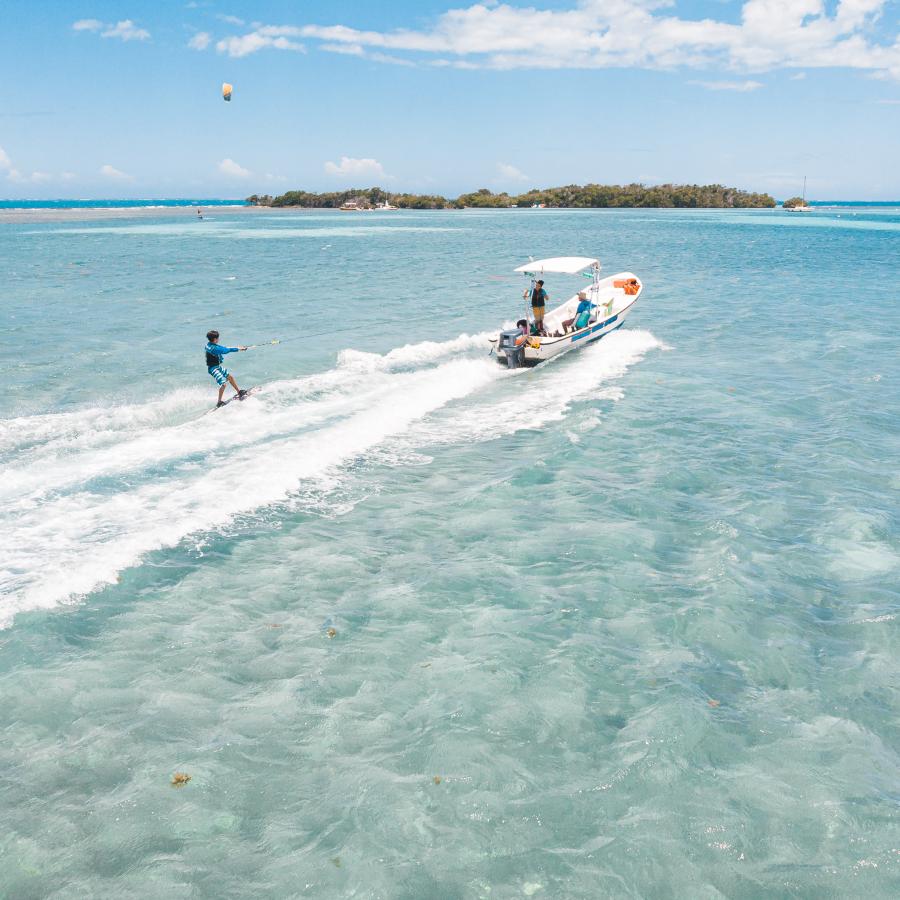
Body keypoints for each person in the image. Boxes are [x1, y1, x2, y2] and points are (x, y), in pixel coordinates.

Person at [205, 329, 248, 407]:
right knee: (224, 384)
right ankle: (219, 402)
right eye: (218, 338)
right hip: (213, 369)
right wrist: (239, 349)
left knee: (230, 377)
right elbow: (227, 350)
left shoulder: (208, 345)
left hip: (217, 366)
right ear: (215, 339)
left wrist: (238, 348)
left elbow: (223, 348)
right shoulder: (214, 349)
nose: (219, 339)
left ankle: (239, 392)